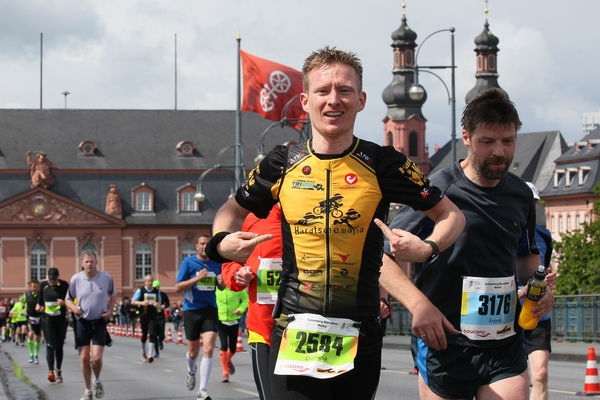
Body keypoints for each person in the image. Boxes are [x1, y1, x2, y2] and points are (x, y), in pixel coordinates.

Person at [207, 46, 465, 400]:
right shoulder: (282, 162)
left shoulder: (383, 162)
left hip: (360, 332)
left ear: (360, 100)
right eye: (323, 90)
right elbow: (230, 210)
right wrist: (222, 242)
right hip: (293, 327)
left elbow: (452, 215)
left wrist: (428, 247)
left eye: (344, 90)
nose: (334, 100)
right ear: (304, 100)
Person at [379, 88, 555, 400]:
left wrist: (539, 291)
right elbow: (381, 258)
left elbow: (527, 260)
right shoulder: (438, 190)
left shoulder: (521, 194)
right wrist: (419, 306)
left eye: (508, 141)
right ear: (467, 138)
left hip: (504, 339)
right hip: (445, 341)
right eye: (488, 142)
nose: (499, 151)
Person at [221, 205, 282, 400]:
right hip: (263, 327)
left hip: (307, 327)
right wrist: (238, 275)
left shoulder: (316, 211)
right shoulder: (254, 215)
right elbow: (232, 259)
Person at [175, 235, 226, 400]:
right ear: (197, 246)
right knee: (193, 351)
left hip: (210, 309)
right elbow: (178, 287)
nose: (205, 246)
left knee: (209, 348)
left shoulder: (217, 264)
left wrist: (221, 281)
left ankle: (202, 390)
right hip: (192, 310)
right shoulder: (188, 263)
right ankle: (191, 371)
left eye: (207, 244)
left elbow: (222, 286)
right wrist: (197, 278)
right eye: (202, 243)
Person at [66, 250, 117, 400]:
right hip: (82, 321)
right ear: (82, 263)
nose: (89, 264)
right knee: (84, 358)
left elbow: (113, 294)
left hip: (99, 322)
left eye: (92, 261)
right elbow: (68, 299)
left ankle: (97, 379)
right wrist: (73, 307)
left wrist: (111, 310)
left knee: (96, 358)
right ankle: (88, 390)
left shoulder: (106, 278)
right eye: (86, 262)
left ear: (96, 262)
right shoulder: (76, 279)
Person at [524, 182, 556, 400]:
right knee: (514, 380)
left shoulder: (544, 234)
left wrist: (551, 278)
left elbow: (545, 267)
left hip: (537, 312)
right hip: (507, 312)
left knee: (541, 373)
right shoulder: (503, 230)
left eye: (534, 203)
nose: (531, 207)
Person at [36, 268, 69, 383]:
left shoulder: (64, 285)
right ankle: (50, 371)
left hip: (60, 320)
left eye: (54, 280)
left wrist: (64, 303)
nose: (51, 282)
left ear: (58, 277)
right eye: (50, 279)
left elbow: (71, 301)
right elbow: (39, 301)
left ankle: (58, 370)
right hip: (47, 319)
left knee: (59, 346)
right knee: (50, 344)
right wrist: (38, 307)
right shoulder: (43, 285)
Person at [215, 274, 248, 383]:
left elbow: (245, 299)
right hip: (221, 321)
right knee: (223, 346)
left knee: (233, 348)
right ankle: (225, 373)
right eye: (218, 278)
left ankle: (227, 360)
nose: (220, 280)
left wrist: (240, 309)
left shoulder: (235, 287)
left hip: (234, 320)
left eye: (222, 278)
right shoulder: (215, 290)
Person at [131, 275, 161, 363]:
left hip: (153, 315)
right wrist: (142, 303)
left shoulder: (156, 291)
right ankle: (143, 351)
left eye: (151, 281)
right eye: (148, 281)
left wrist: (157, 305)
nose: (150, 283)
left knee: (152, 333)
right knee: (144, 334)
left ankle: (150, 355)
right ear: (145, 282)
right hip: (144, 315)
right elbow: (132, 301)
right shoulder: (140, 291)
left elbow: (159, 302)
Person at [22, 279, 43, 364]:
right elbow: (22, 302)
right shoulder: (26, 294)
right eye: (33, 287)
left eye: (36, 287)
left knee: (37, 337)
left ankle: (36, 355)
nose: (35, 288)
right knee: (30, 335)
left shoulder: (41, 295)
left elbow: (44, 303)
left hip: (39, 317)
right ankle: (31, 355)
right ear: (30, 287)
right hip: (30, 317)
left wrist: (42, 308)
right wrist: (23, 309)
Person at [153, 280, 170, 357]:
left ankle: (161, 340)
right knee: (154, 335)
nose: (157, 288)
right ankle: (156, 352)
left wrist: (164, 306)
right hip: (153, 316)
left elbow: (168, 303)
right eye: (155, 287)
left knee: (161, 333)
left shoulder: (163, 295)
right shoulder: (151, 295)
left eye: (158, 286)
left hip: (160, 315)